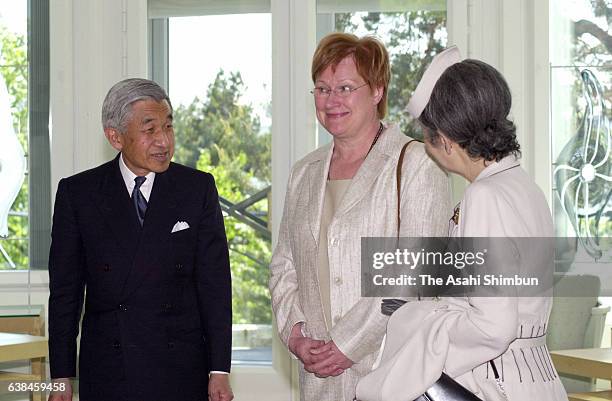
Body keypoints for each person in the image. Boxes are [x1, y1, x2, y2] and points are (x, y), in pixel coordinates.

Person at [356, 48, 568, 401]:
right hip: (532, 380)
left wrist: (422, 331)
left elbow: (493, 325)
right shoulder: (521, 184)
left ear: (447, 140)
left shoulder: (484, 196)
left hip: (493, 384)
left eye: (426, 135)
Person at [269, 33, 450, 401]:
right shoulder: (303, 172)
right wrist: (296, 334)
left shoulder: (416, 164)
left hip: (392, 373)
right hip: (317, 378)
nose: (331, 101)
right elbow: (284, 266)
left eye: (346, 87)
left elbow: (413, 274)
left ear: (378, 91)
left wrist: (346, 344)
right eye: (322, 89)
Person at [47, 78, 234, 401]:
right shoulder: (79, 194)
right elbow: (65, 293)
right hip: (109, 367)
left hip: (180, 367)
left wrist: (219, 370)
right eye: (150, 130)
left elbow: (214, 285)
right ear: (115, 137)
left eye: (168, 127)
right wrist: (61, 375)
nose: (164, 141)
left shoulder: (196, 188)